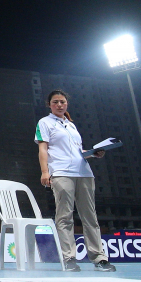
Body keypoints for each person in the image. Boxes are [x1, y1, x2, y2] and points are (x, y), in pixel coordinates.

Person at [36, 89, 116, 272]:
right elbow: (43, 149)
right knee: (65, 216)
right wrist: (44, 172)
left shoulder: (71, 125)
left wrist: (93, 154)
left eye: (62, 102)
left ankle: (99, 258)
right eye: (55, 102)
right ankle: (69, 258)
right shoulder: (45, 123)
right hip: (61, 172)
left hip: (84, 173)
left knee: (90, 217)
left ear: (67, 104)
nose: (59, 105)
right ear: (49, 105)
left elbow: (76, 153)